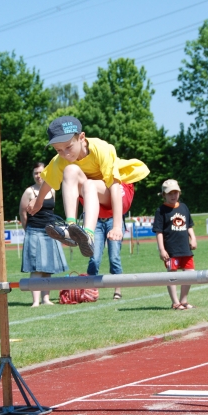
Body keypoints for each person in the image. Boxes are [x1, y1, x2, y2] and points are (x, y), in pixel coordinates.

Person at [26, 116, 149, 260]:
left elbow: (114, 185)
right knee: (70, 171)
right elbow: (48, 180)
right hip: (93, 204)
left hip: (118, 195)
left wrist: (117, 226)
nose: (65, 154)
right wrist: (39, 201)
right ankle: (70, 227)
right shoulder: (61, 160)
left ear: (82, 138)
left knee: (89, 184)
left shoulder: (100, 149)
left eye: (69, 147)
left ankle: (89, 235)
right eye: (59, 150)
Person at [19, 162, 68, 307]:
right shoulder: (29, 192)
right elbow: (22, 213)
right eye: (35, 173)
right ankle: (35, 301)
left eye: (41, 172)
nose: (38, 176)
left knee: (48, 268)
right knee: (36, 268)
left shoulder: (52, 190)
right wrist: (27, 229)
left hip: (50, 232)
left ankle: (46, 299)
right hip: (34, 231)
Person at [153, 179, 197, 310]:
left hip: (185, 249)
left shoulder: (184, 207)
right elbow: (159, 231)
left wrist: (193, 238)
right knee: (172, 276)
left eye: (175, 192)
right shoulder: (161, 210)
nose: (173, 196)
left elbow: (189, 225)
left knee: (190, 274)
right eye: (170, 193)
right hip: (171, 250)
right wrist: (161, 249)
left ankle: (184, 300)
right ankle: (175, 302)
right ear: (163, 195)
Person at [86, 214, 124, 300]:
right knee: (94, 259)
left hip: (113, 220)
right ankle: (90, 291)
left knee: (114, 258)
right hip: (95, 220)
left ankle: (117, 290)